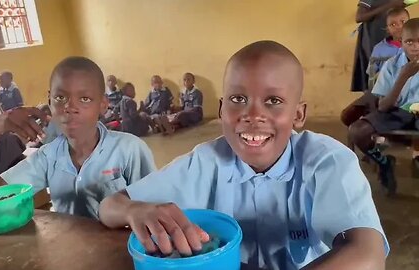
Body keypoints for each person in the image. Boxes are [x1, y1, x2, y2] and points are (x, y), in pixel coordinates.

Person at [99, 41, 388, 270]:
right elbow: (110, 205)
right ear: (223, 109)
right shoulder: (205, 162)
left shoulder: (327, 161)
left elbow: (367, 255)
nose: (252, 116)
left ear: (298, 114)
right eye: (238, 100)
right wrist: (134, 210)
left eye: (273, 101)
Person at [0, 56, 156, 219]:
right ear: (49, 101)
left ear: (103, 105)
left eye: (85, 99)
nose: (70, 107)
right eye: (60, 98)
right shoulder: (47, 157)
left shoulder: (129, 149)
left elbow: (155, 207)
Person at [349, 18, 419, 196]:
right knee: (357, 130)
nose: (415, 47)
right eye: (409, 41)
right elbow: (383, 106)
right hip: (396, 112)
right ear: (401, 43)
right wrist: (402, 77)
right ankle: (384, 162)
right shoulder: (392, 65)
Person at [342, 7, 410, 128]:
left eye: (403, 22)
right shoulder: (379, 49)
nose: (399, 26)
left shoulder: (414, 46)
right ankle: (374, 133)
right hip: (382, 89)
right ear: (387, 29)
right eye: (393, 24)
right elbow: (372, 75)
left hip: (410, 90)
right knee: (347, 115)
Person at [351, 0, 405, 92]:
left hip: (393, 41)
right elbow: (359, 17)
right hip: (373, 41)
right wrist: (390, 5)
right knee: (374, 79)